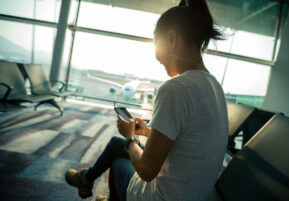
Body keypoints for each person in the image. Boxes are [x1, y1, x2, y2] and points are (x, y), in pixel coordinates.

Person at [65, 0, 228, 200]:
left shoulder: (176, 89)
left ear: (171, 38)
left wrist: (130, 138)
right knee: (119, 145)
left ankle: (97, 187)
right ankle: (87, 180)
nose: (157, 57)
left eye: (155, 43)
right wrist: (149, 132)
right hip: (195, 192)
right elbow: (193, 142)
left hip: (163, 197)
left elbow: (147, 170)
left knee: (119, 155)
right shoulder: (214, 86)